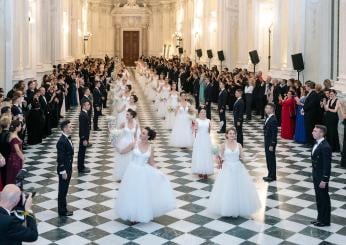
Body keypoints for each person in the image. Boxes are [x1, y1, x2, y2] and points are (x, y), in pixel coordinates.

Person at [116, 127, 176, 224]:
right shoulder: (134, 143)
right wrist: (115, 143)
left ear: (148, 136)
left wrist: (159, 172)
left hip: (143, 172)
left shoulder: (151, 147)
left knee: (142, 194)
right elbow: (122, 151)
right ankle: (132, 215)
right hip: (132, 171)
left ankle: (141, 213)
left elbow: (151, 162)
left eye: (143, 133)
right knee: (132, 193)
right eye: (141, 132)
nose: (140, 134)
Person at [208, 127, 261, 218]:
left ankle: (238, 208)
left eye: (234, 134)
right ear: (227, 135)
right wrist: (218, 159)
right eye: (230, 133)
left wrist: (252, 158)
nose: (232, 135)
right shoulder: (223, 145)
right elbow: (219, 158)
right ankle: (227, 208)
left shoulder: (239, 145)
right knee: (227, 189)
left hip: (238, 168)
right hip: (227, 169)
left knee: (239, 189)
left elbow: (242, 158)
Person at [311, 125, 331, 227]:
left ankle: (325, 220)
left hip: (321, 177)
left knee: (323, 198)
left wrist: (325, 179)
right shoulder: (317, 143)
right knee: (319, 198)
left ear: (321, 133)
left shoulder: (325, 147)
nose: (313, 132)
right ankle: (320, 218)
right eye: (313, 131)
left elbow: (327, 166)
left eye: (315, 131)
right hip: (316, 175)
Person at [114, 109, 140, 181]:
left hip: (132, 143)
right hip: (124, 142)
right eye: (126, 114)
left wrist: (134, 143)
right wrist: (114, 134)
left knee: (130, 160)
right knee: (123, 159)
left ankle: (130, 176)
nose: (126, 116)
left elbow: (136, 136)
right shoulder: (123, 123)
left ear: (132, 116)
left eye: (128, 115)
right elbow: (117, 132)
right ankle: (121, 175)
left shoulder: (136, 124)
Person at [56, 120, 74, 216]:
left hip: (68, 167)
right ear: (65, 129)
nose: (71, 128)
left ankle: (64, 208)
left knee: (65, 189)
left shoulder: (66, 139)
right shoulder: (62, 141)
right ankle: (62, 211)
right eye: (70, 127)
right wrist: (63, 171)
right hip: (64, 170)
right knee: (62, 190)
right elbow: (60, 159)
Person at [191, 107, 213, 179]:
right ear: (199, 113)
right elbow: (195, 130)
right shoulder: (197, 120)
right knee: (199, 153)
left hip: (206, 139)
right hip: (199, 139)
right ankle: (200, 170)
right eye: (202, 112)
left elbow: (209, 131)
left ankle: (206, 171)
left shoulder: (208, 121)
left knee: (206, 154)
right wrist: (194, 125)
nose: (203, 114)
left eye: (204, 112)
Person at [263, 103, 278, 182]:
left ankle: (272, 176)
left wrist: (272, 144)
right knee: (268, 158)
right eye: (266, 108)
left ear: (272, 109)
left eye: (268, 108)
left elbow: (274, 134)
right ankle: (270, 174)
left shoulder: (273, 119)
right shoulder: (268, 117)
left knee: (271, 159)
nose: (266, 109)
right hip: (267, 141)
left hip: (270, 142)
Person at [6, 120, 24, 185]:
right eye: (20, 126)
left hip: (14, 157)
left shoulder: (12, 134)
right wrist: (23, 157)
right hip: (15, 158)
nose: (21, 127)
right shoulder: (14, 137)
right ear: (16, 128)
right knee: (16, 175)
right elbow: (18, 150)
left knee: (14, 174)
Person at [303, 81, 321, 147]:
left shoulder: (314, 94)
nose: (305, 87)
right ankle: (308, 141)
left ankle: (311, 142)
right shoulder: (310, 93)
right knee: (308, 128)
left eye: (306, 86)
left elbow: (311, 104)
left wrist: (304, 108)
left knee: (310, 128)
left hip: (311, 115)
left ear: (309, 87)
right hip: (308, 114)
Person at [77, 100, 91, 174]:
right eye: (88, 105)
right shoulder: (82, 115)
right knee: (81, 152)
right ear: (83, 106)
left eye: (89, 105)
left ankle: (82, 165)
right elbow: (82, 128)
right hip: (83, 137)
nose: (89, 106)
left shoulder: (85, 113)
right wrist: (84, 139)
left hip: (85, 137)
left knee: (83, 152)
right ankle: (80, 168)